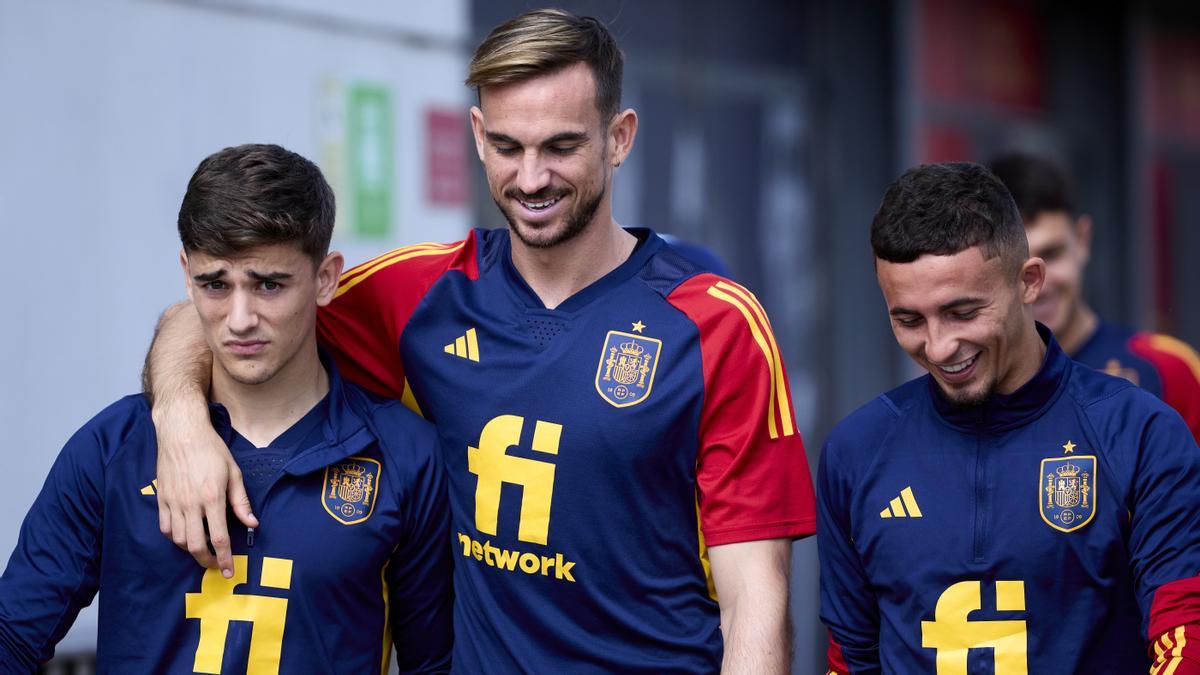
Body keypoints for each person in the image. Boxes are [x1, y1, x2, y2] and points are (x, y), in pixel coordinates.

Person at [145, 9, 815, 674]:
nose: (530, 179)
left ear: (619, 137)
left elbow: (755, 597)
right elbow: (220, 315)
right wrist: (179, 419)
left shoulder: (716, 324)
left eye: (561, 146)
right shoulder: (422, 296)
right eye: (507, 146)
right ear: (476, 134)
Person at [0, 144, 452, 673]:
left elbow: (433, 664)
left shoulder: (406, 454)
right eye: (215, 285)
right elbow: (13, 636)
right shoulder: (112, 447)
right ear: (185, 272)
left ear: (326, 278)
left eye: (268, 284)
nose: (240, 319)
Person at [819, 162, 1200, 673]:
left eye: (963, 312)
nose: (939, 345)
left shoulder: (1139, 433)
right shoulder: (856, 452)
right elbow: (851, 660)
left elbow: (1184, 639)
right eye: (909, 319)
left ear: (1029, 282)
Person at [989, 151, 1200, 442]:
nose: (1040, 282)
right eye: (1018, 266)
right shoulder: (971, 383)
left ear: (1083, 240)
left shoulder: (1167, 368)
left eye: (1052, 253)